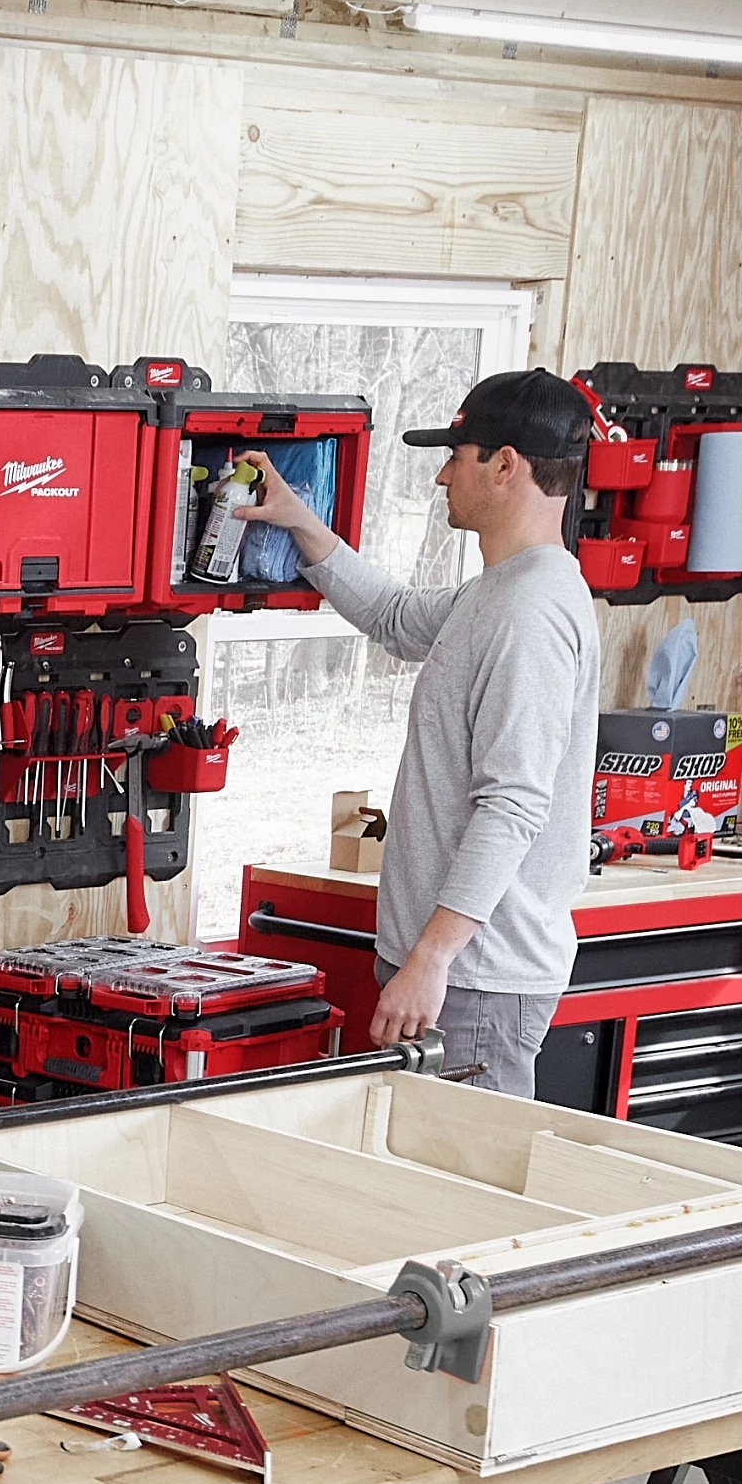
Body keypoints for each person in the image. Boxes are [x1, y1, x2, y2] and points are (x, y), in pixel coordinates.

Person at [246, 373, 602, 1099]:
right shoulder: (502, 589)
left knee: (469, 1172)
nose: (442, 476)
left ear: (506, 466)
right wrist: (298, 520)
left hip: (475, 979)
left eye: (456, 457)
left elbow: (512, 806)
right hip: (454, 972)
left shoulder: (529, 614)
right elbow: (397, 616)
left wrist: (432, 959)